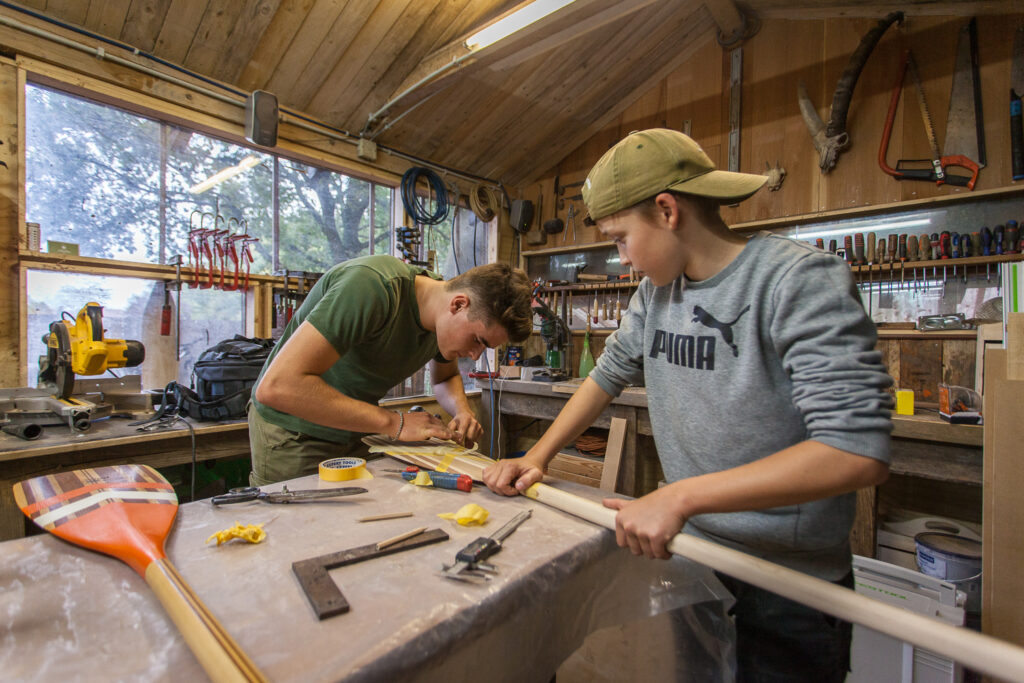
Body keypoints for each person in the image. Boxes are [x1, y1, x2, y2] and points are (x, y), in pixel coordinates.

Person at [483, 129, 892, 682]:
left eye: (622, 238)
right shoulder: (656, 294)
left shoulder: (795, 281)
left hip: (788, 586)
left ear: (668, 210)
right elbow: (606, 375)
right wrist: (540, 457)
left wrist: (679, 496)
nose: (622, 258)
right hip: (692, 562)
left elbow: (853, 451)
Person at [250, 254, 533, 486]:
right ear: (458, 304)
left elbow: (445, 377)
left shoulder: (441, 318)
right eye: (477, 341)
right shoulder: (371, 287)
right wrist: (394, 423)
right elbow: (277, 387)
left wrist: (462, 411)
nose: (474, 354)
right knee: (295, 536)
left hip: (354, 431)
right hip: (294, 432)